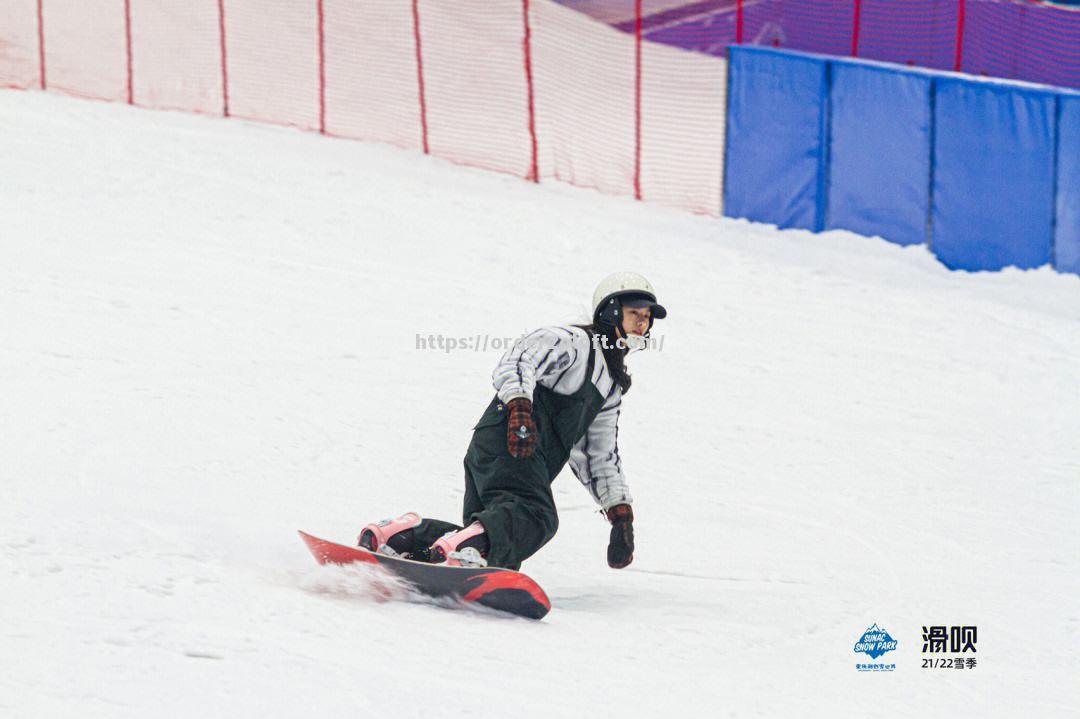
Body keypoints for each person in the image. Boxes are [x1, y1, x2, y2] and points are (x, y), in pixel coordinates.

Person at [358, 271, 666, 571]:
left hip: (505, 450)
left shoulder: (609, 386)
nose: (644, 322)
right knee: (535, 516)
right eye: (634, 313)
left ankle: (404, 536)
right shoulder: (574, 342)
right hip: (513, 439)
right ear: (611, 313)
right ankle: (454, 547)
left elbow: (598, 455)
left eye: (648, 316)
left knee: (496, 545)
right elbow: (521, 357)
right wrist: (520, 408)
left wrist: (620, 513)